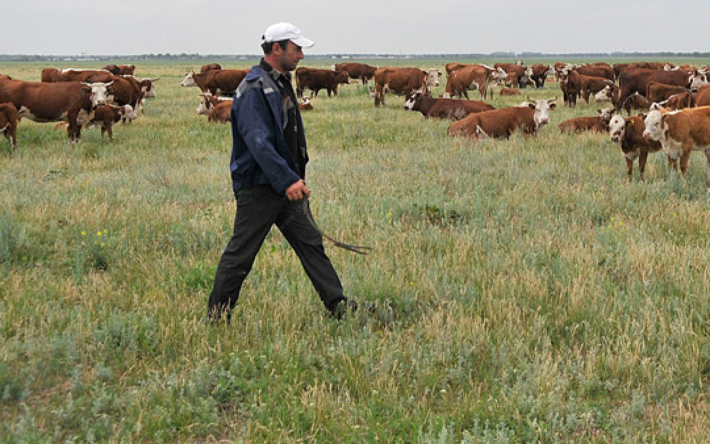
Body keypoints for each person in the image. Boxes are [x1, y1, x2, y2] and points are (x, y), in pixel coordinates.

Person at [208, 22, 358, 322]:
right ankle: (217, 317)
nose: (302, 55)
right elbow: (258, 142)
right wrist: (287, 179)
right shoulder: (254, 88)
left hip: (286, 185)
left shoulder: (278, 81)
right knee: (241, 254)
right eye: (297, 48)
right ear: (276, 49)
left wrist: (292, 178)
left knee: (311, 245)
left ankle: (338, 308)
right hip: (260, 187)